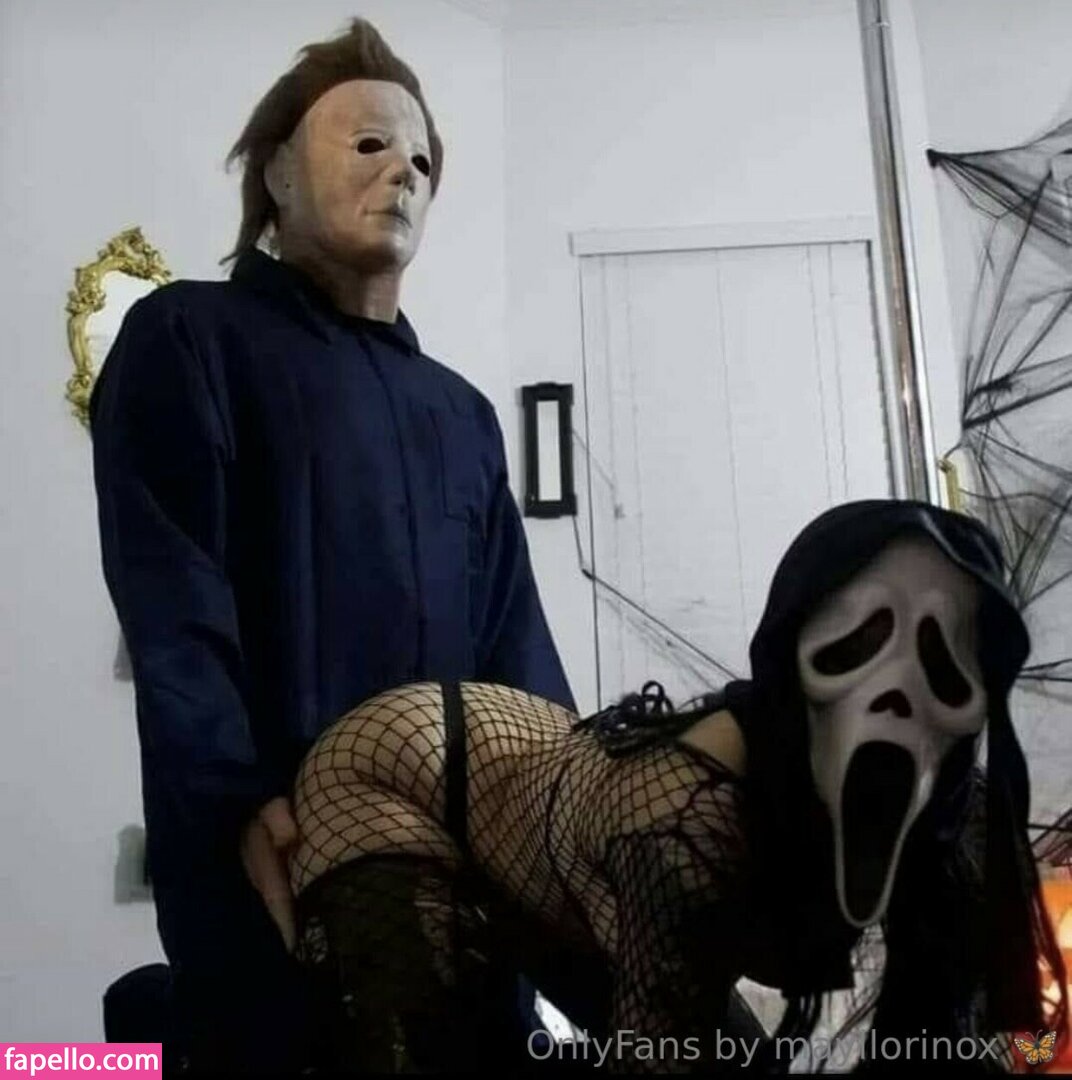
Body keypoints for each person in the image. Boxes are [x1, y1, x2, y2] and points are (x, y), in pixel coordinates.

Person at [90, 17, 573, 1074]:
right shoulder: (188, 338)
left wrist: (565, 812)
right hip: (277, 868)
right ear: (276, 175)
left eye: (423, 162)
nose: (403, 170)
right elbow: (175, 604)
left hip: (470, 883)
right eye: (367, 144)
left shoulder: (460, 415)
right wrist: (234, 799)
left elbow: (515, 647)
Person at [286, 500, 1067, 1073]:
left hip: (561, 852)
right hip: (407, 772)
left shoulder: (961, 824)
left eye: (945, 658)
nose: (895, 696)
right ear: (788, 652)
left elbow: (981, 1042)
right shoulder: (686, 818)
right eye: (857, 641)